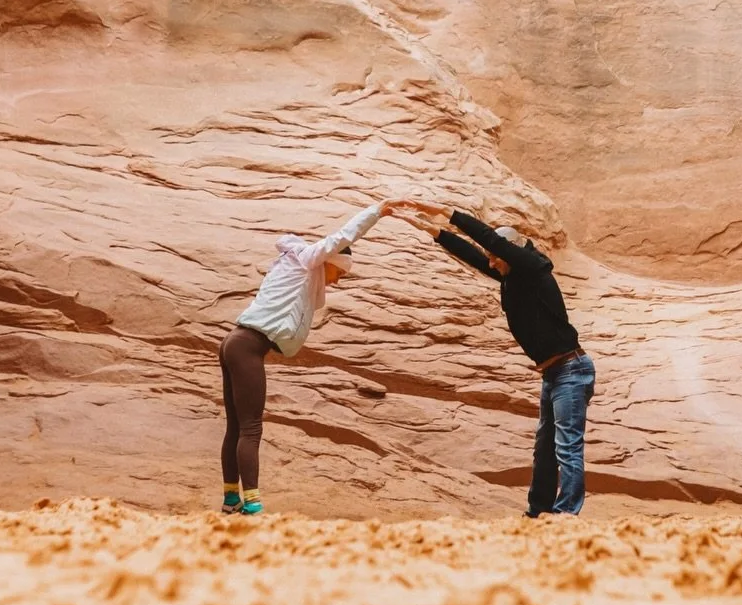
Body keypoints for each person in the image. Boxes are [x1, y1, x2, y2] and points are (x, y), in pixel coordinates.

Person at [407, 204, 594, 517]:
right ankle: (538, 514)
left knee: (567, 447)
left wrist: (446, 213)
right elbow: (476, 256)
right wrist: (436, 232)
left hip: (571, 370)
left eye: (496, 256)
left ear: (509, 252)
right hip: (553, 374)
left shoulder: (533, 268)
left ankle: (566, 515)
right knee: (544, 449)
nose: (491, 262)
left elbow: (489, 241)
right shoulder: (515, 277)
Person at [219, 199, 401, 516]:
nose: (338, 279)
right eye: (339, 272)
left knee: (236, 427)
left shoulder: (294, 268)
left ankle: (231, 500)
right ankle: (253, 506)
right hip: (247, 346)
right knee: (251, 429)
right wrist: (377, 212)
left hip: (235, 343)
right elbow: (343, 236)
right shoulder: (308, 261)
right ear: (329, 260)